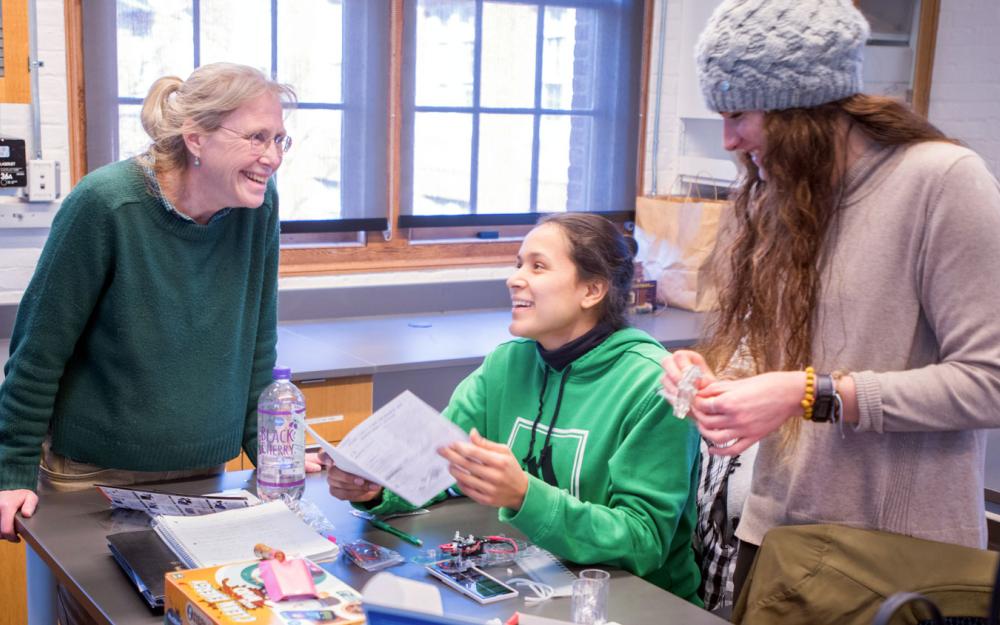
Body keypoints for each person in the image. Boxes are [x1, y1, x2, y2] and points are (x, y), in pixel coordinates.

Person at [661, 0, 1000, 606]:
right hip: (778, 540)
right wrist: (720, 385)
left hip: (898, 561)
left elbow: (990, 382)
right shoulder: (777, 195)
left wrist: (814, 393)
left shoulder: (943, 181)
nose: (729, 138)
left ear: (805, 109)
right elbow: (779, 358)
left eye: (739, 113)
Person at [0, 62, 306, 547]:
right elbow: (39, 349)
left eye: (279, 140)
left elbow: (257, 344)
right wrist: (11, 469)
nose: (271, 157)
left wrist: (270, 453)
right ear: (196, 138)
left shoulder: (258, 207)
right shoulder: (106, 204)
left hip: (204, 474)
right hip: (93, 477)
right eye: (256, 137)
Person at [326, 213, 703, 603]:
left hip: (640, 602)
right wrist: (373, 487)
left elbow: (644, 541)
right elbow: (438, 465)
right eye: (518, 263)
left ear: (592, 289)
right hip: (536, 583)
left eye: (538, 266)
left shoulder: (656, 385)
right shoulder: (506, 365)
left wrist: (524, 495)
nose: (514, 278)